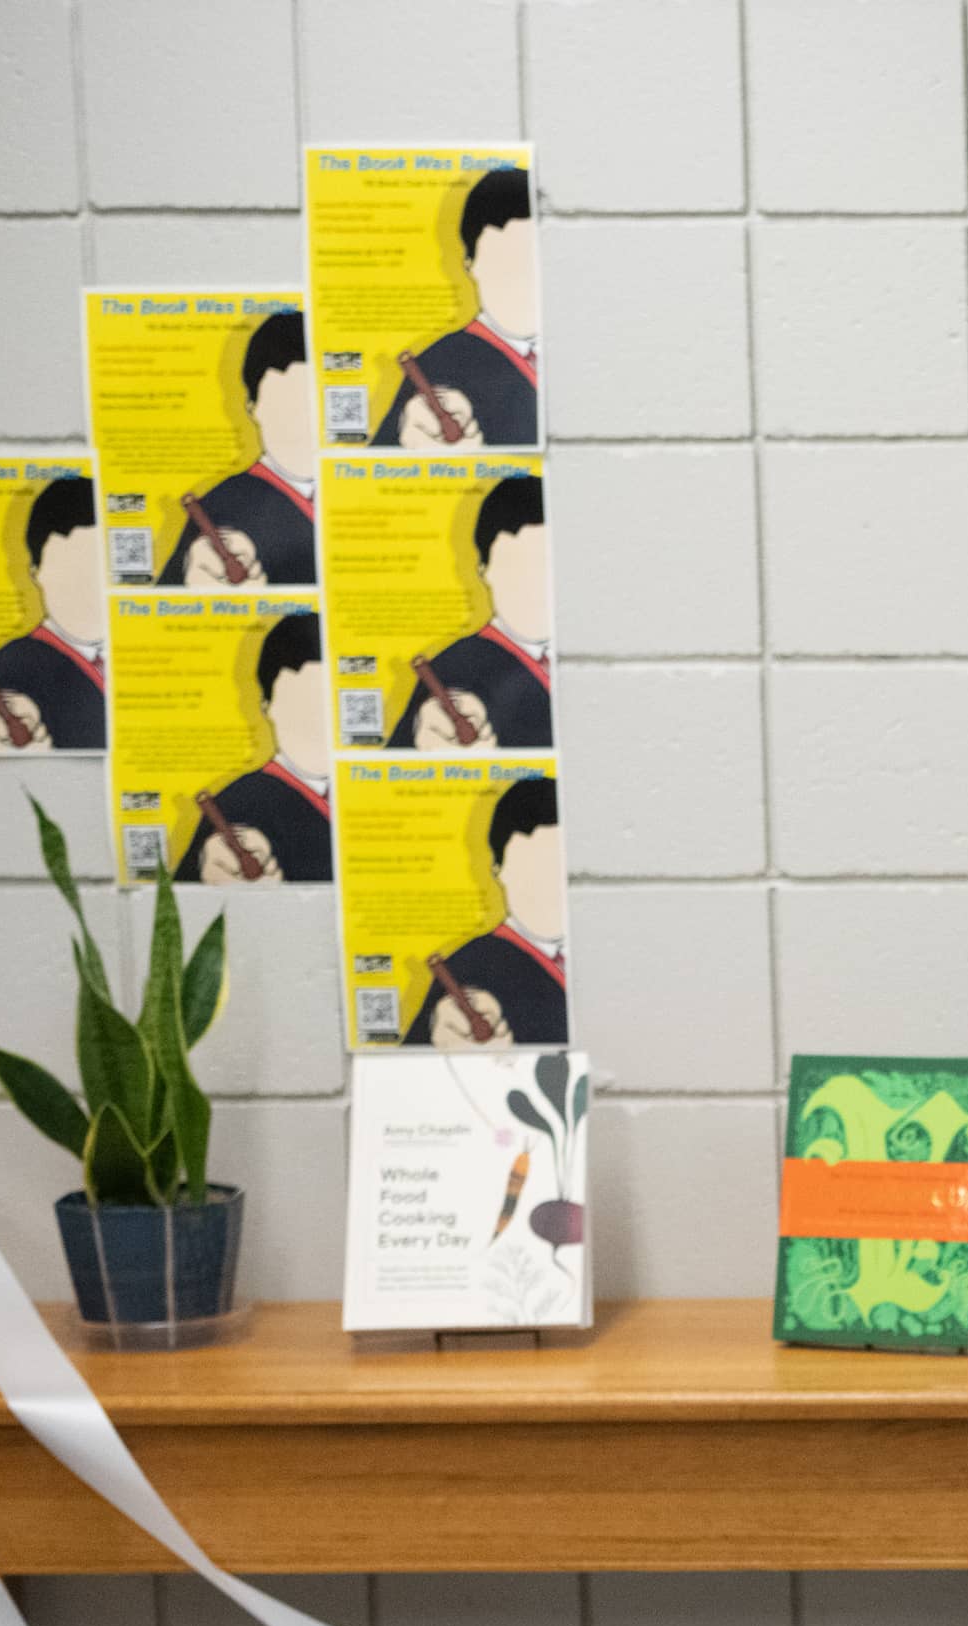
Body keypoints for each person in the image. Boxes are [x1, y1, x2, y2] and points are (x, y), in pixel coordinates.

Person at [374, 161, 540, 448]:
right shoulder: (440, 364)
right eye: (504, 264)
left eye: (535, 264)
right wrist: (408, 448)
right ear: (470, 267)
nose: (525, 284)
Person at [0, 474, 108, 752]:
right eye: (68, 574)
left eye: (100, 573)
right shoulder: (9, 668)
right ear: (36, 575)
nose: (88, 592)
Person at [156, 306, 321, 587]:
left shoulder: (363, 491)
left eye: (317, 408)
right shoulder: (222, 507)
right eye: (286, 407)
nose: (305, 426)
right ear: (253, 409)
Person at [386, 474, 550, 751]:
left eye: (548, 570)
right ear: (484, 572)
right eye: (516, 570)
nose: (536, 588)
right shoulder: (458, 669)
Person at [403, 775, 565, 1045]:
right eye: (533, 870)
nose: (551, 887)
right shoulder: (468, 969)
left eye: (562, 871)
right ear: (498, 872)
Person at [177, 610, 334, 884]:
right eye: (301, 707)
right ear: (266, 708)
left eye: (331, 706)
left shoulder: (375, 787)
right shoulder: (239, 804)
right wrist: (210, 867)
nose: (319, 724)